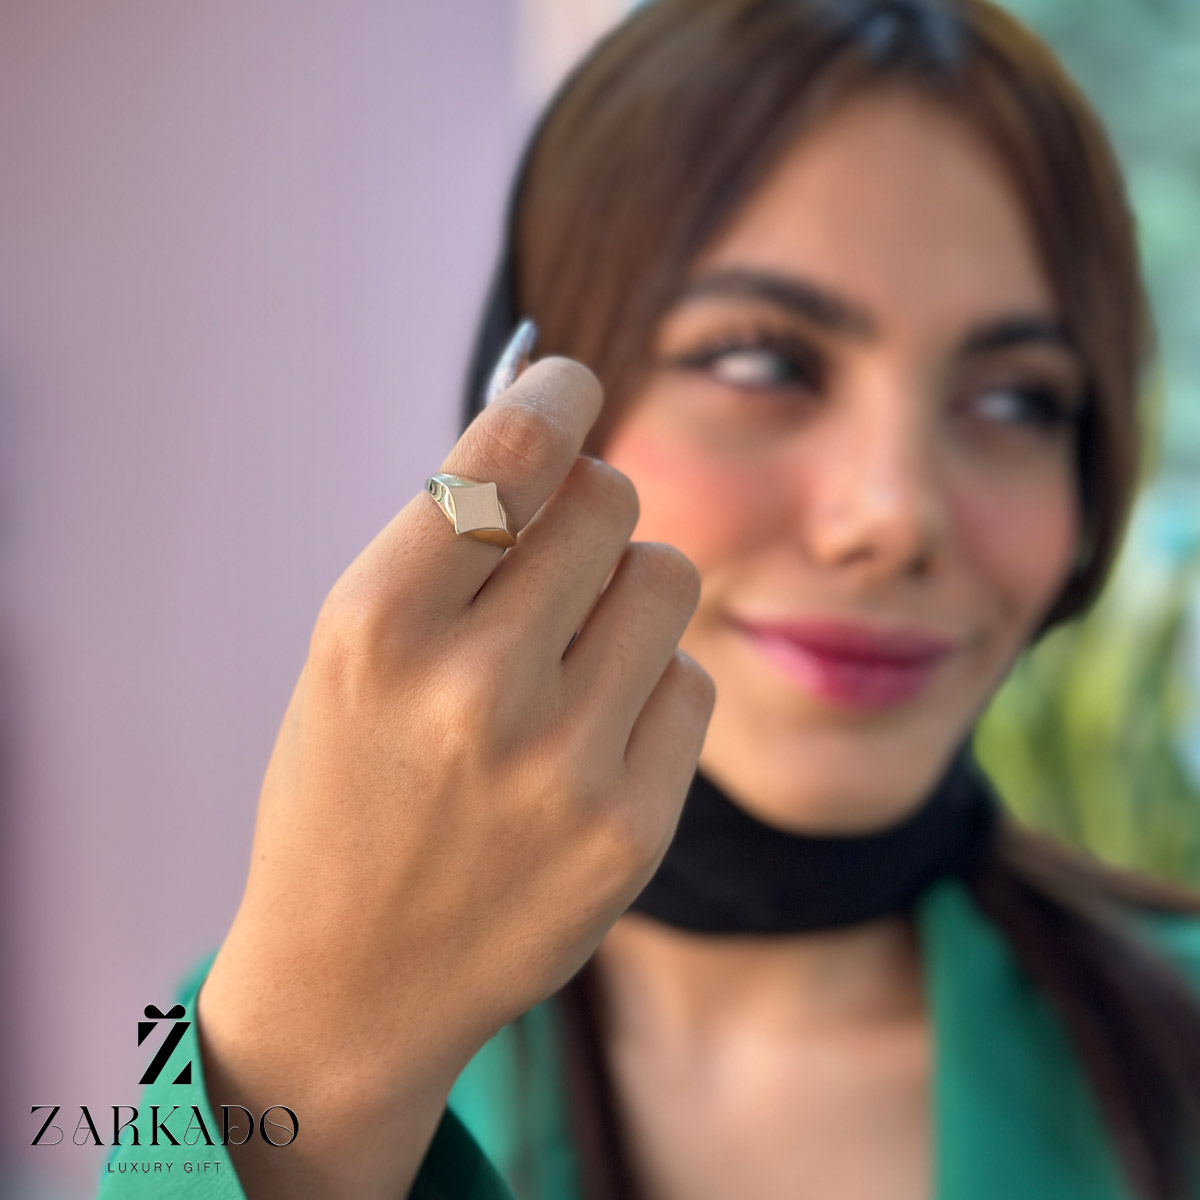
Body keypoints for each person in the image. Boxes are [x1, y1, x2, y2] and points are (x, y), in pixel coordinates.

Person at [100, 1, 1200, 1198]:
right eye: (762, 361)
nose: (896, 515)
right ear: (520, 401)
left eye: (1016, 399)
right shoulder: (261, 1042)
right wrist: (318, 1068)